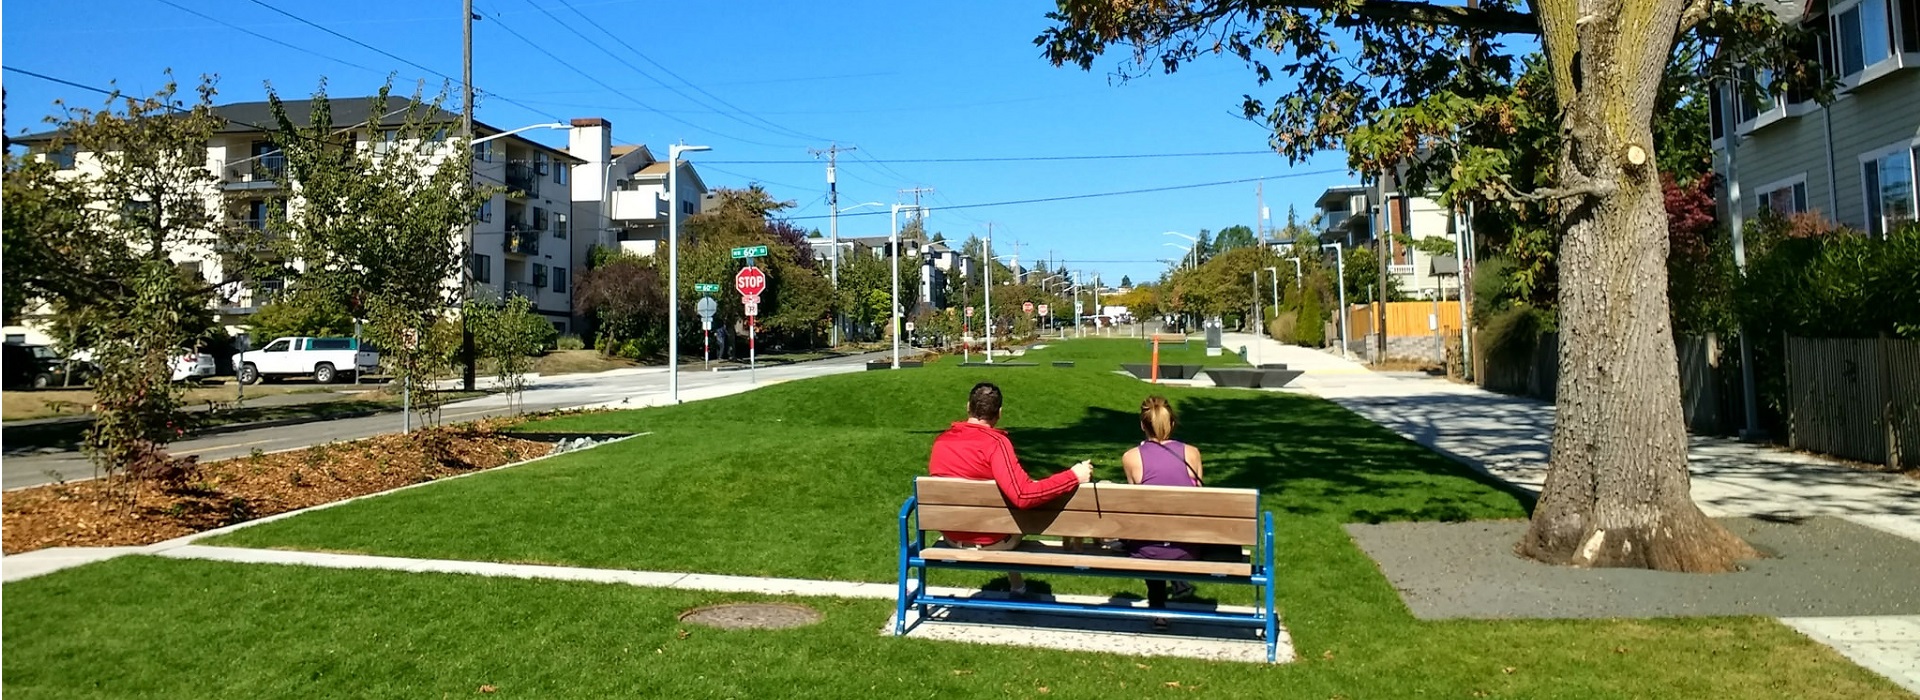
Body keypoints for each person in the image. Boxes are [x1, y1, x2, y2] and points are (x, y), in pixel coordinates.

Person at [929, 381, 1093, 594]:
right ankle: (1017, 587)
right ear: (999, 413)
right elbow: (1023, 495)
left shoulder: (941, 441)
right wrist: (1073, 476)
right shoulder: (996, 444)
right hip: (993, 540)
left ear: (968, 406)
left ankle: (1018, 586)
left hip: (952, 536)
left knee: (1002, 512)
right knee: (1014, 515)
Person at [1120, 395, 1208, 629]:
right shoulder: (1192, 454)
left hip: (1147, 549)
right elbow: (1198, 503)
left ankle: (1158, 605)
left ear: (1142, 425)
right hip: (1188, 547)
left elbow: (1135, 507)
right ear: (1172, 423)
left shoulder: (1131, 458)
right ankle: (1177, 583)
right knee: (1167, 532)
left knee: (1148, 536)